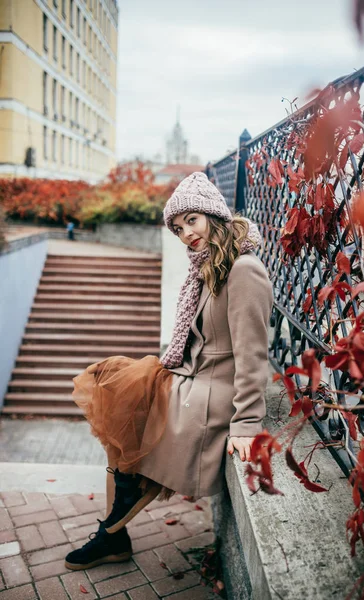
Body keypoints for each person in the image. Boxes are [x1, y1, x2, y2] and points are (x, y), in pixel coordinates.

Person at [64, 172, 273, 571]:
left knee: (131, 433)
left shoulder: (244, 271)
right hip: (190, 378)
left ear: (213, 215)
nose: (185, 234)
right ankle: (113, 534)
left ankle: (109, 535)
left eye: (191, 221)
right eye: (177, 229)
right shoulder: (209, 266)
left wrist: (247, 423)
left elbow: (253, 356)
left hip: (210, 393)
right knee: (110, 389)